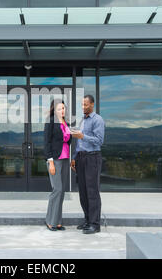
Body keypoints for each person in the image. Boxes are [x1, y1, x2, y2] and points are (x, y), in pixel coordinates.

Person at [71, 95, 105, 234]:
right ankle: (87, 220)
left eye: (86, 104)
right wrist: (74, 158)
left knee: (92, 192)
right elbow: (79, 143)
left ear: (92, 104)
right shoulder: (82, 120)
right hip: (81, 158)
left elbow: (99, 141)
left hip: (92, 158)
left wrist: (82, 136)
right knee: (83, 192)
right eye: (82, 105)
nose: (83, 107)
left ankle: (95, 224)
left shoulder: (98, 120)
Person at [43, 99, 72, 231]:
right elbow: (46, 143)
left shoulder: (66, 123)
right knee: (57, 190)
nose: (62, 110)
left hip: (65, 159)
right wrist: (50, 162)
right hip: (54, 160)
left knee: (62, 192)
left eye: (63, 108)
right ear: (54, 110)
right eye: (59, 108)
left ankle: (57, 221)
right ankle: (50, 221)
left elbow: (67, 140)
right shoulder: (50, 122)